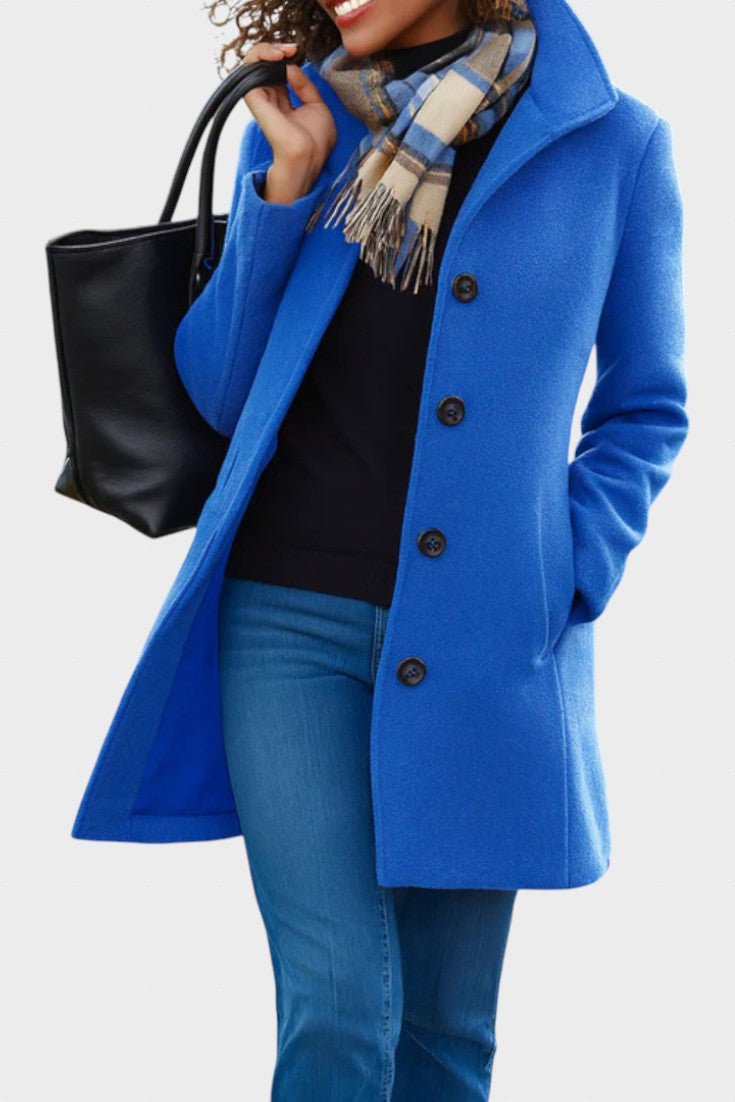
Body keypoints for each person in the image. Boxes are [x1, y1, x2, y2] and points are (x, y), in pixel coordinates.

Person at [71, 0, 689, 1097]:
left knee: (447, 1034)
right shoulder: (305, 119)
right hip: (286, 623)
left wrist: (569, 566)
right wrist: (286, 188)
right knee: (339, 1006)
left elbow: (645, 407)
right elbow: (220, 393)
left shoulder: (611, 142)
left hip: (487, 643)